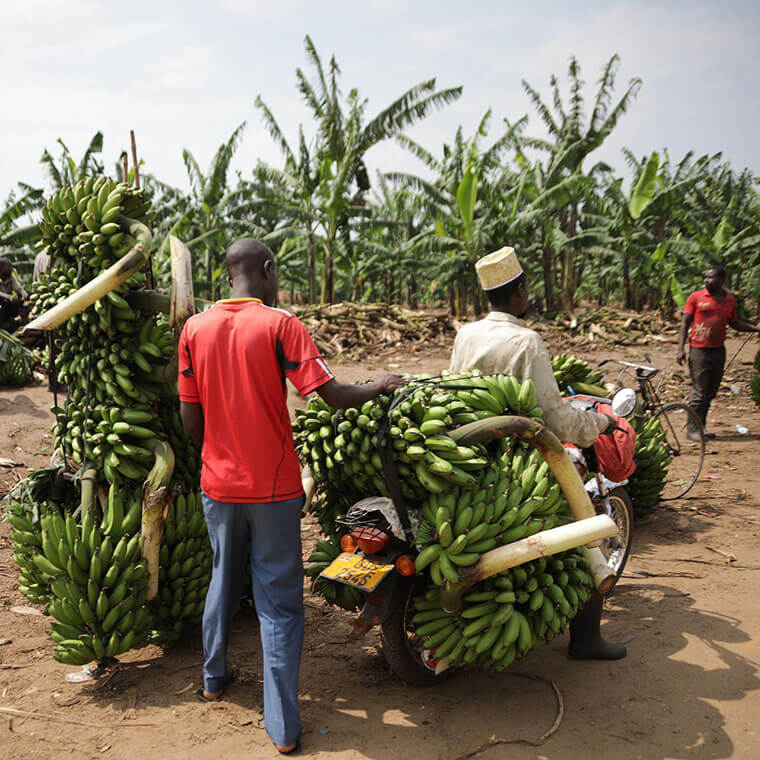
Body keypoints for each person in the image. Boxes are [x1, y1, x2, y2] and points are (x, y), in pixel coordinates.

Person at [177, 238, 402, 755]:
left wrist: (220, 451)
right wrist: (379, 384)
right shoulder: (280, 325)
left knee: (221, 576)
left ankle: (213, 679)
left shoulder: (195, 329)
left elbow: (191, 419)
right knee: (278, 604)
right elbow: (329, 394)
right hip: (273, 488)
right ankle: (281, 725)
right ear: (268, 270)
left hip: (218, 484)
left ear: (227, 274)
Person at [449, 246, 626, 660]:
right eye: (526, 289)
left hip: (469, 454)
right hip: (522, 460)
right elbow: (556, 417)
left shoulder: (466, 333)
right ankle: (586, 640)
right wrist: (599, 424)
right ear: (518, 293)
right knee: (586, 528)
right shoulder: (525, 341)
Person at [677, 265, 759, 441]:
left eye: (710, 277)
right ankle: (692, 429)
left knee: (710, 391)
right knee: (699, 392)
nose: (706, 280)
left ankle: (702, 426)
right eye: (705, 277)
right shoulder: (696, 297)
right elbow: (685, 323)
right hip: (698, 350)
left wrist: (755, 329)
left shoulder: (729, 299)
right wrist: (680, 349)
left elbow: (734, 323)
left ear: (721, 280)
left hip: (718, 350)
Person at [0, 257, 29, 328]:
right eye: (8, 266)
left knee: (23, 303)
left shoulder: (10, 276)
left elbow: (18, 288)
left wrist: (23, 293)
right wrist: (8, 297)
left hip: (7, 303)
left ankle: (25, 324)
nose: (11, 269)